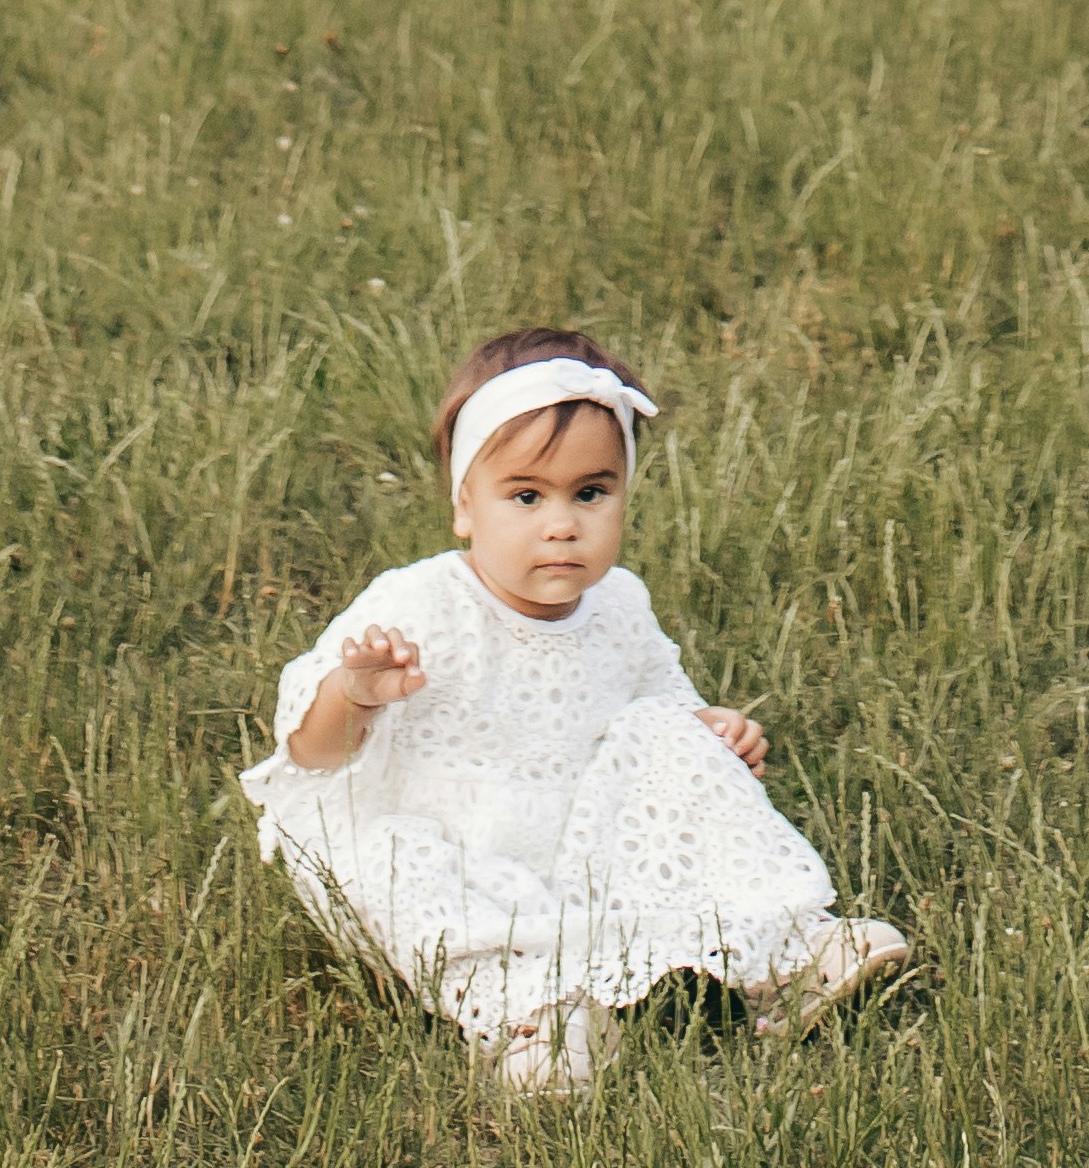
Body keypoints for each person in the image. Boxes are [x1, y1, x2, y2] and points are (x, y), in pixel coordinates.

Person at [246, 324, 912, 1091]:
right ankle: (532, 1018)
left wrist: (711, 734)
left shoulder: (620, 603)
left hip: (579, 839)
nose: (563, 523)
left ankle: (792, 952)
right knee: (391, 861)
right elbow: (311, 757)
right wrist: (355, 693)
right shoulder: (420, 602)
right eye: (526, 497)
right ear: (465, 506)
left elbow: (663, 700)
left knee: (669, 735)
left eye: (591, 493)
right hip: (453, 841)